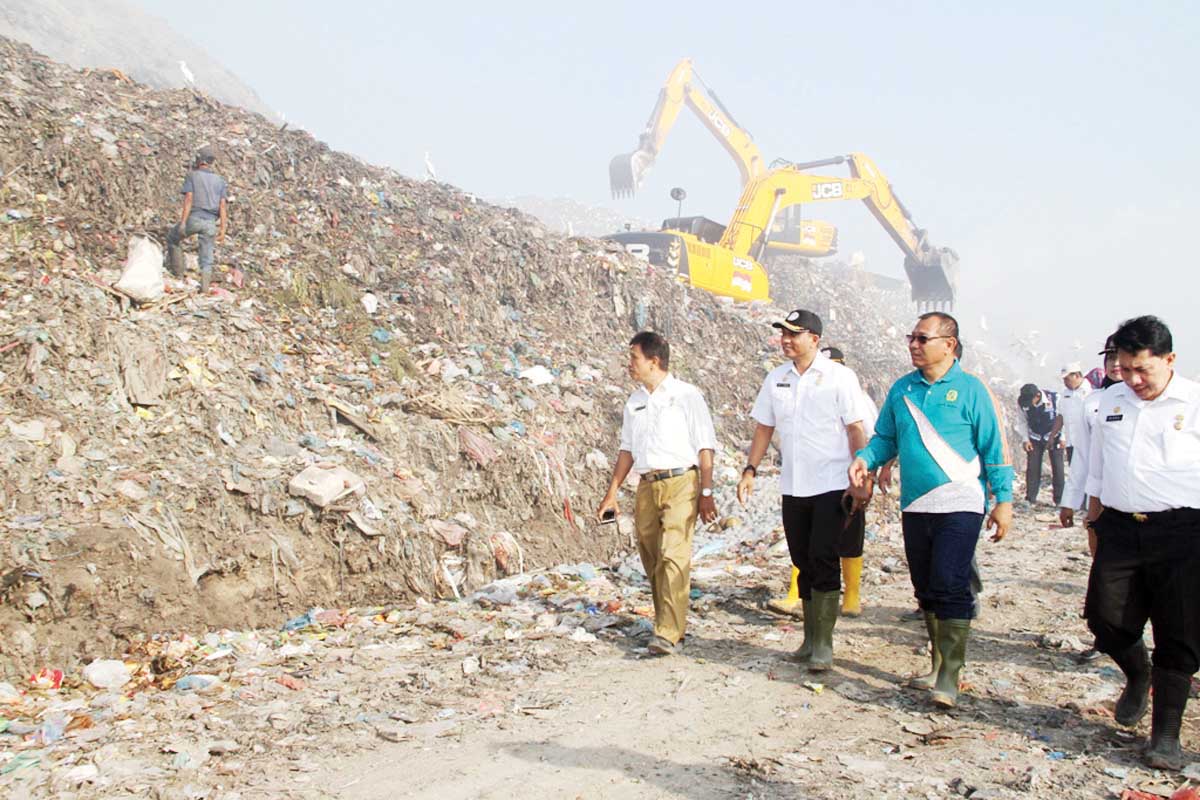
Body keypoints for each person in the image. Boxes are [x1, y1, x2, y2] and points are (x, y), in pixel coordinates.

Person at [849, 312, 1013, 707]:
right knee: (924, 586)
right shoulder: (902, 389)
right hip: (917, 504)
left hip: (962, 502)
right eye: (912, 337)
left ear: (949, 344)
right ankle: (937, 664)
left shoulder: (972, 390)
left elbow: (994, 448)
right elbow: (885, 437)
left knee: (950, 581)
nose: (914, 345)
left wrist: (1003, 501)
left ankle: (951, 677)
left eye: (922, 339)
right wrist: (865, 459)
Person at [1084, 315, 1199, 770]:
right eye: (1125, 368)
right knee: (1104, 618)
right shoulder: (1111, 401)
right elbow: (1096, 467)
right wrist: (1092, 521)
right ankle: (1137, 673)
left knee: (1180, 631)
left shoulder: (1194, 402)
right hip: (1119, 526)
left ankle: (1166, 736)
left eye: (1142, 371)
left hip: (1183, 531)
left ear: (1169, 360)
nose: (1132, 379)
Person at [736, 311, 868, 671]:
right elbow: (764, 428)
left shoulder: (839, 378)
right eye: (783, 334)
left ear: (815, 339)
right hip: (794, 486)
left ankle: (823, 645)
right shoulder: (776, 378)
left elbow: (856, 429)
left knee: (824, 558)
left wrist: (861, 475)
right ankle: (809, 639)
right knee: (802, 560)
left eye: (794, 334)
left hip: (831, 483)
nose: (786, 340)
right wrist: (750, 469)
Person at [597, 331, 718, 656]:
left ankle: (668, 632)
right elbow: (626, 450)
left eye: (634, 358)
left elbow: (705, 446)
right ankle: (667, 620)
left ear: (654, 361)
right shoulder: (635, 401)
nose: (629, 364)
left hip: (682, 482)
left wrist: (706, 491)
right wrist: (612, 493)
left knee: (672, 554)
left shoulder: (686, 395)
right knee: (651, 555)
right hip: (647, 485)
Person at [1059, 336, 1123, 665]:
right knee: (1104, 573)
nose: (1115, 362)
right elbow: (1082, 458)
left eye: (1121, 354)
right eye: (1110, 355)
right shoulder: (1093, 403)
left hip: (1149, 506)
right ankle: (1105, 640)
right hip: (1103, 502)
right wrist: (1070, 501)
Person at [168, 145, 228, 292]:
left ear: (199, 160)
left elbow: (188, 199)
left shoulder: (192, 176)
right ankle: (205, 288)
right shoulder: (220, 181)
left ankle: (178, 273)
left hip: (194, 219)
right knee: (206, 256)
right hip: (210, 223)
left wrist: (183, 222)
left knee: (172, 239)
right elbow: (223, 206)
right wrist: (223, 228)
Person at [1016, 383, 1065, 506]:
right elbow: (1022, 422)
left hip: (1054, 435)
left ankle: (1059, 499)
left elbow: (1063, 417)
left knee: (1058, 467)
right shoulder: (1023, 404)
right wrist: (1025, 439)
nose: (1027, 404)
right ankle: (1031, 498)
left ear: (1038, 395)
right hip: (1035, 437)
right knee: (1033, 467)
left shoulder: (1055, 398)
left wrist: (1063, 437)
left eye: (1030, 400)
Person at [1058, 362, 1092, 465]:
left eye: (1067, 379)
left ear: (1076, 376)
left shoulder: (1091, 391)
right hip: (1071, 442)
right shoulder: (1065, 394)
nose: (1065, 382)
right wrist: (1055, 435)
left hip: (1088, 443)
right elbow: (1061, 416)